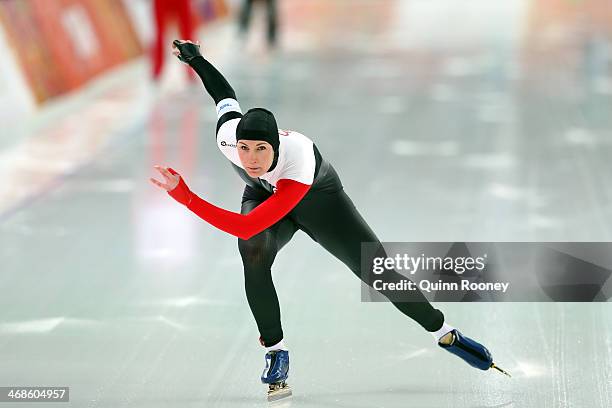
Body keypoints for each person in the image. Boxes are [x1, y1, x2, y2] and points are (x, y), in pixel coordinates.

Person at [150, 40, 507, 401]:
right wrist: (197, 60)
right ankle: (276, 353)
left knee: (377, 271)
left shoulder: (298, 160)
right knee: (253, 253)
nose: (251, 158)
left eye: (261, 149)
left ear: (276, 146)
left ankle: (443, 331)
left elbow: (245, 225)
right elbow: (224, 97)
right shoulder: (228, 136)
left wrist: (184, 195)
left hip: (319, 200)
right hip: (264, 196)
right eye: (244, 149)